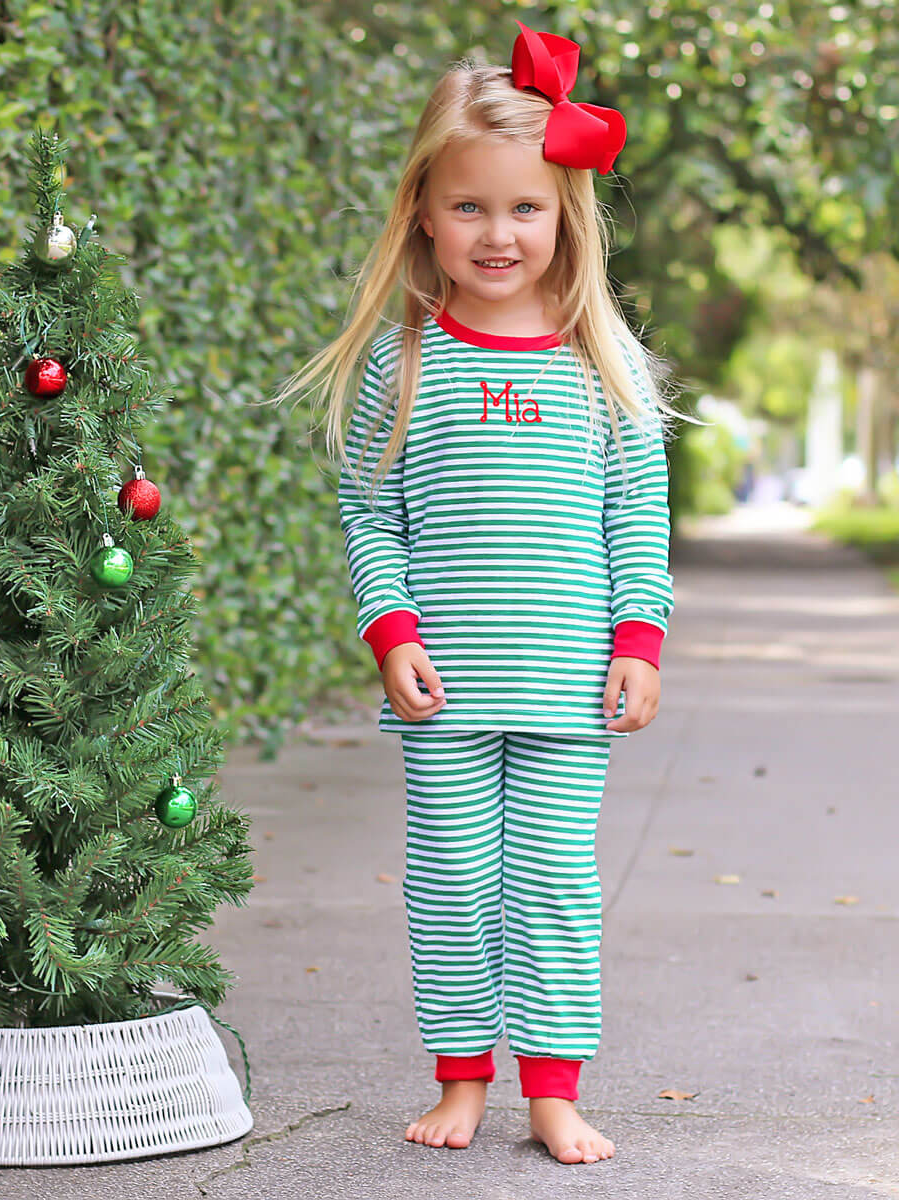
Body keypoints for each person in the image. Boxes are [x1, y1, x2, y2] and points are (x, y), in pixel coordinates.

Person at [273, 21, 700, 1164]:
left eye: (525, 208)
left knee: (557, 886)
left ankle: (552, 1088)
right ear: (423, 210)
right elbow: (372, 512)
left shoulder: (602, 364)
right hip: (445, 691)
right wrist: (389, 629)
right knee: (455, 884)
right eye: (470, 207)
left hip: (568, 691)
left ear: (566, 215)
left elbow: (633, 521)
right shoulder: (407, 362)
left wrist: (639, 640)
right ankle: (461, 1075)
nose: (499, 233)